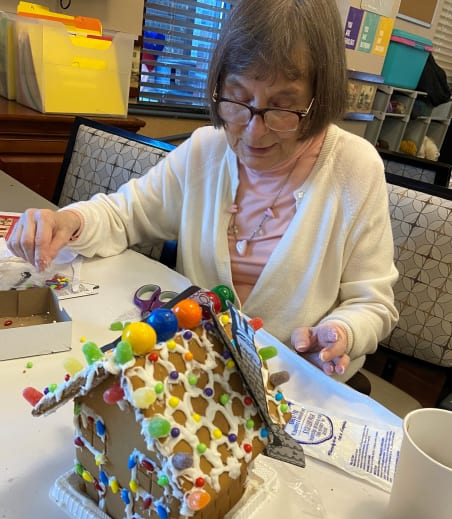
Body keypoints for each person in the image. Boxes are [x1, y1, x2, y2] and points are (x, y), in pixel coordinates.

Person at [6, 0, 398, 384]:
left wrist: (340, 332)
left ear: (319, 97)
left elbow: (373, 303)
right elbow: (124, 214)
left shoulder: (354, 168)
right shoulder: (204, 150)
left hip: (293, 383)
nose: (252, 131)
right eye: (238, 99)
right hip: (192, 371)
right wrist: (67, 220)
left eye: (283, 107)